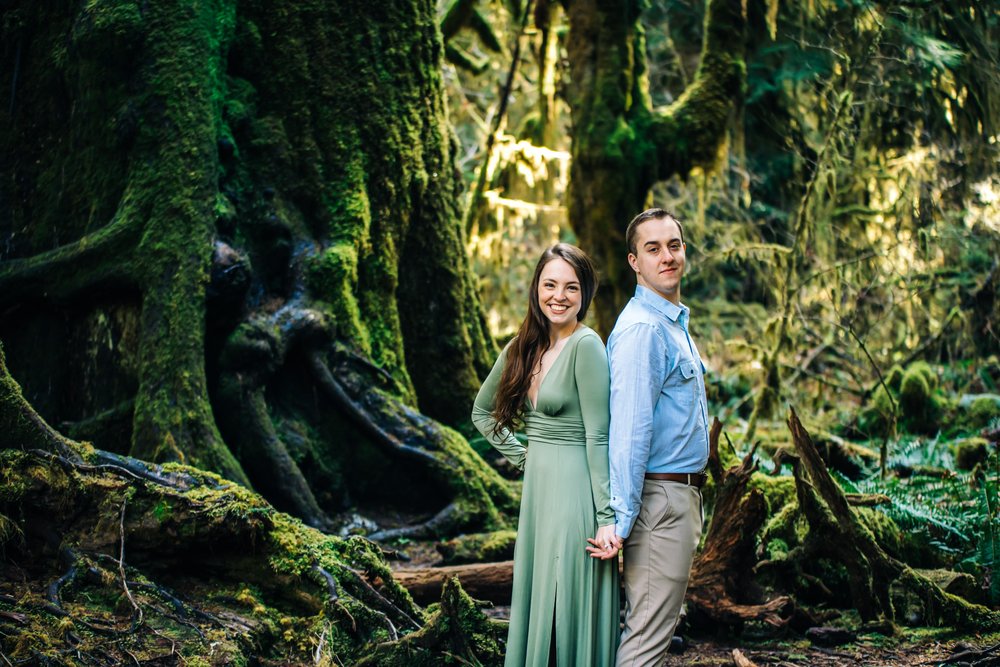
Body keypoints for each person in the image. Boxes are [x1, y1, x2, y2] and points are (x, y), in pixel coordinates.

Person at [472, 243, 620, 667]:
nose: (559, 296)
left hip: (578, 489)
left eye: (571, 288)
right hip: (538, 492)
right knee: (539, 590)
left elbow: (598, 435)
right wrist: (524, 458)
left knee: (569, 593)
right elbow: (482, 413)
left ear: (585, 294)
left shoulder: (587, 346)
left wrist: (608, 517)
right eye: (550, 284)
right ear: (536, 288)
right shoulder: (522, 347)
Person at [600, 208, 710, 667]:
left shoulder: (670, 323)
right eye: (653, 248)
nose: (667, 257)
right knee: (644, 645)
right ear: (634, 261)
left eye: (675, 245)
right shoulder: (644, 330)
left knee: (653, 634)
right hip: (659, 504)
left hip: (676, 500)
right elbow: (628, 432)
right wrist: (620, 521)